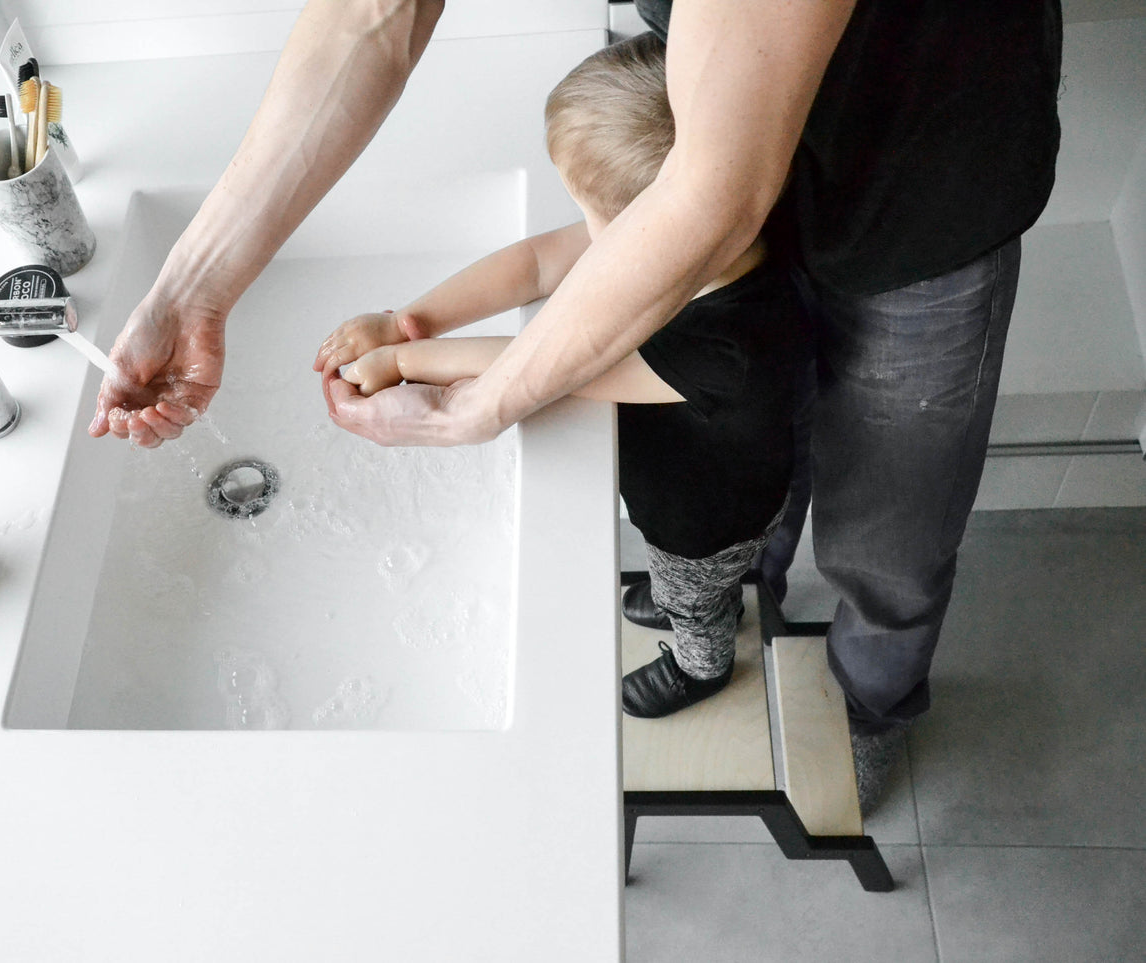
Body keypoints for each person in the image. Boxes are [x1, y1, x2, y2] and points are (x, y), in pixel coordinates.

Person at [91, 0, 1062, 814]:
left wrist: (442, 386)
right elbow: (374, 21)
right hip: (736, 191)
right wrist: (209, 290)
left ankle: (851, 696)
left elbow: (690, 217)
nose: (591, 237)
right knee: (777, 477)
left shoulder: (716, 335)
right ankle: (742, 589)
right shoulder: (706, 251)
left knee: (884, 532)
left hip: (922, 168)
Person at [318, 33, 807, 720]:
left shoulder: (730, 344)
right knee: (680, 581)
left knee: (691, 592)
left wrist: (405, 363)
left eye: (592, 215)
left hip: (708, 516)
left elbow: (559, 368)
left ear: (657, 221)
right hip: (688, 472)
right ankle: (690, 601)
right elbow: (536, 265)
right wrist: (407, 321)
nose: (583, 230)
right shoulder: (709, 220)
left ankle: (702, 662)